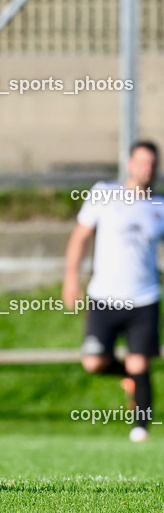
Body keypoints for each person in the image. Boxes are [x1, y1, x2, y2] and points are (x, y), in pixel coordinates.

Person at [63, 140, 164, 443]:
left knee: (140, 362)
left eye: (152, 164)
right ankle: (130, 379)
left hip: (144, 297)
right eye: (142, 162)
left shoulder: (159, 206)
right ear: (130, 164)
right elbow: (81, 236)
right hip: (104, 297)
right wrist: (71, 277)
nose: (147, 169)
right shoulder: (104, 194)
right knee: (94, 362)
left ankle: (141, 429)